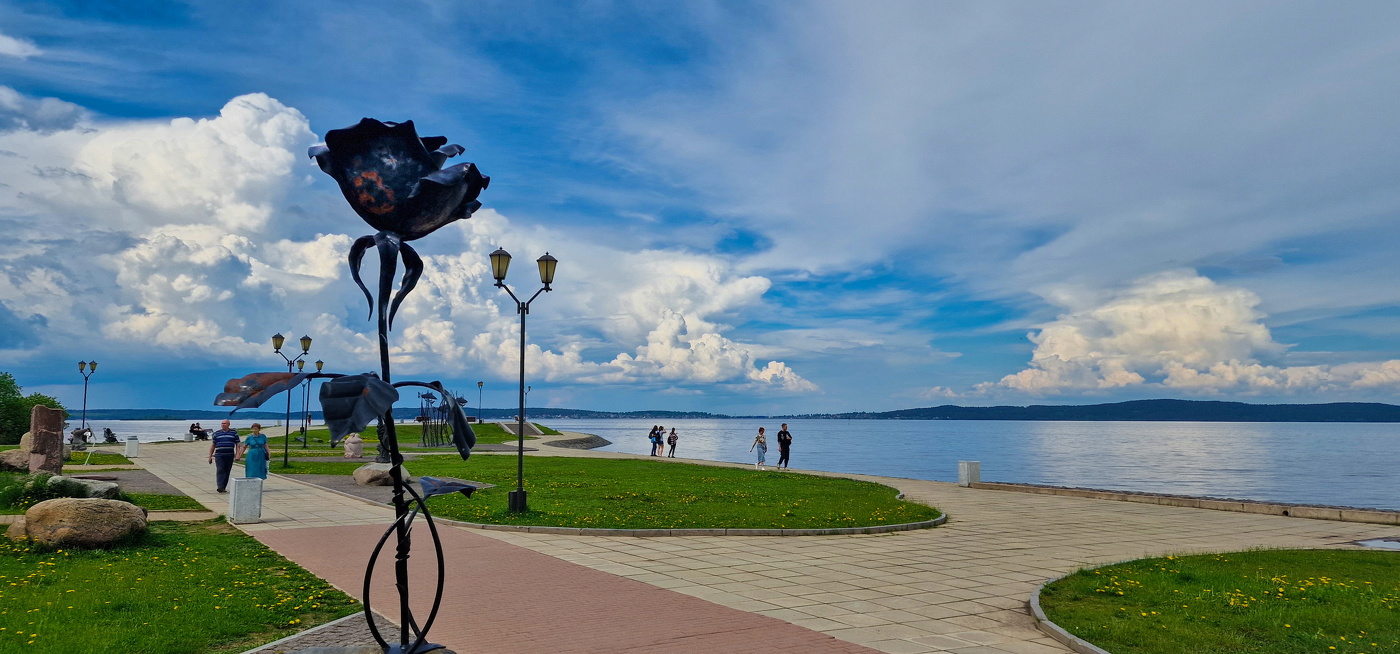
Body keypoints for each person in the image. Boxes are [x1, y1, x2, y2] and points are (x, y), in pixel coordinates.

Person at [208, 419, 241, 493]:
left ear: (229, 424)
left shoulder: (234, 433)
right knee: (220, 469)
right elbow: (213, 445)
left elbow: (238, 444)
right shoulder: (217, 433)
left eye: (225, 423)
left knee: (227, 471)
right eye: (222, 423)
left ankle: (223, 487)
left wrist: (238, 454)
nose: (223, 424)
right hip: (219, 455)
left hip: (229, 454)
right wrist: (210, 456)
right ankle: (220, 486)